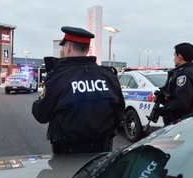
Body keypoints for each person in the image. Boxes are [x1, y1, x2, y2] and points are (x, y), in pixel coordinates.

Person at [32, 26, 125, 154]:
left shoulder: (58, 77)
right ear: (87, 49)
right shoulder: (108, 76)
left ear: (68, 47)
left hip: (67, 154)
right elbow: (119, 113)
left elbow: (41, 115)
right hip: (102, 152)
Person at [157, 42, 193, 125]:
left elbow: (182, 102)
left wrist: (165, 109)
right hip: (191, 119)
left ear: (180, 57)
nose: (173, 59)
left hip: (180, 121)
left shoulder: (183, 74)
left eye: (174, 56)